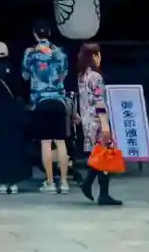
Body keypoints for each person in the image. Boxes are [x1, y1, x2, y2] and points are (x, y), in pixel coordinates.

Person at [23, 21, 70, 194]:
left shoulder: (30, 53)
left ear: (35, 34)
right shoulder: (60, 53)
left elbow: (25, 75)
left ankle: (50, 182)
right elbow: (64, 74)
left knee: (46, 143)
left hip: (41, 102)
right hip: (58, 101)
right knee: (61, 142)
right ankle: (64, 182)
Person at [74, 43, 122, 206]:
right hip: (97, 121)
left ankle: (95, 189)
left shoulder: (82, 76)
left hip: (87, 121)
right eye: (98, 55)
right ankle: (96, 189)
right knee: (104, 155)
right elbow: (99, 101)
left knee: (99, 155)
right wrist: (105, 124)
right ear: (94, 56)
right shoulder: (96, 77)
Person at [0, 42, 28, 194]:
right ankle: (14, 182)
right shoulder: (14, 70)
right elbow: (21, 89)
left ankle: (1, 182)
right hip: (13, 111)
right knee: (14, 146)